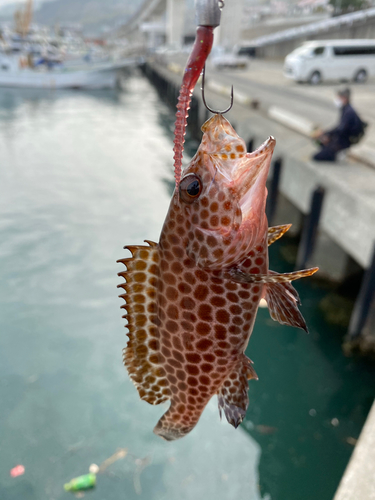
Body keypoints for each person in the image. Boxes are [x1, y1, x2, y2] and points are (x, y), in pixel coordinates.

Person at [312, 87, 365, 162]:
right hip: (340, 138)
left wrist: (327, 134)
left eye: (339, 97)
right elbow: (339, 127)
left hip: (343, 141)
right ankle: (330, 151)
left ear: (344, 98)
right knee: (319, 141)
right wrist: (326, 134)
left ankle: (334, 154)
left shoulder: (349, 112)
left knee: (316, 157)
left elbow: (341, 129)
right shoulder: (345, 109)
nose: (337, 99)